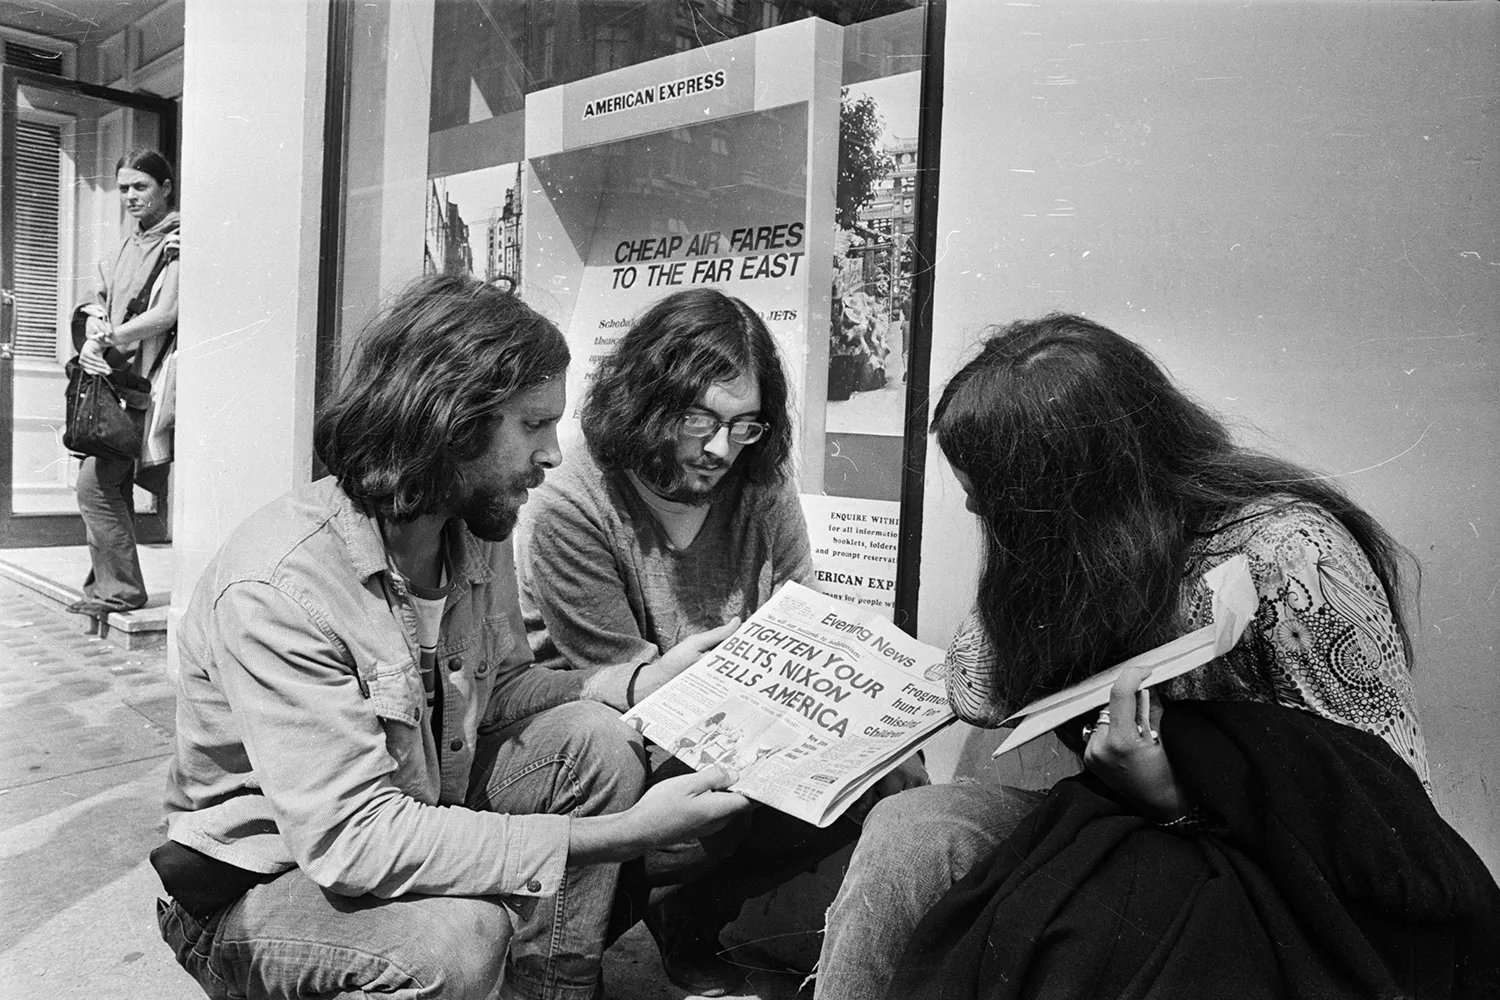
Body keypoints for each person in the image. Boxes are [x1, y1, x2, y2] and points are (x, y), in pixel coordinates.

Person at [815, 314, 1498, 999]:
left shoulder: (1292, 550)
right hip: (1123, 827)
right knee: (912, 832)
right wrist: (1024, 565)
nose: (976, 513)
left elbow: (1387, 815)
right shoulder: (1086, 550)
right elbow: (977, 692)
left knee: (1085, 934)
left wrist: (1176, 795)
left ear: (1072, 493)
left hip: (1273, 877)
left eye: (995, 507)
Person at [154, 274, 754, 1000]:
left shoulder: (470, 524)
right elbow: (355, 841)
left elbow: (497, 688)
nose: (555, 455)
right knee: (456, 940)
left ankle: (554, 991)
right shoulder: (280, 586)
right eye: (533, 425)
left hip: (414, 807)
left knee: (600, 738)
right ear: (451, 420)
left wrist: (634, 685)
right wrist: (625, 834)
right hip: (260, 890)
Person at [515, 287, 927, 996]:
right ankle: (691, 924)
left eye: (743, 425)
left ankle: (749, 936)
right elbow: (626, 699)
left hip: (745, 758)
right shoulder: (574, 506)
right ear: (647, 401)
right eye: (699, 418)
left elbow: (806, 622)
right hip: (632, 769)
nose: (719, 449)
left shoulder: (759, 481)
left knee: (901, 786)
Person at [69, 147, 180, 618]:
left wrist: (110, 335)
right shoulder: (125, 241)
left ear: (166, 189)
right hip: (113, 378)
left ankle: (120, 590)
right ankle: (107, 587)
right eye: (125, 188)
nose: (131, 197)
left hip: (145, 382)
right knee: (106, 483)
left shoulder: (178, 240)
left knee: (95, 485)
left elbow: (167, 313)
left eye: (141, 187)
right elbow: (99, 295)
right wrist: (95, 324)